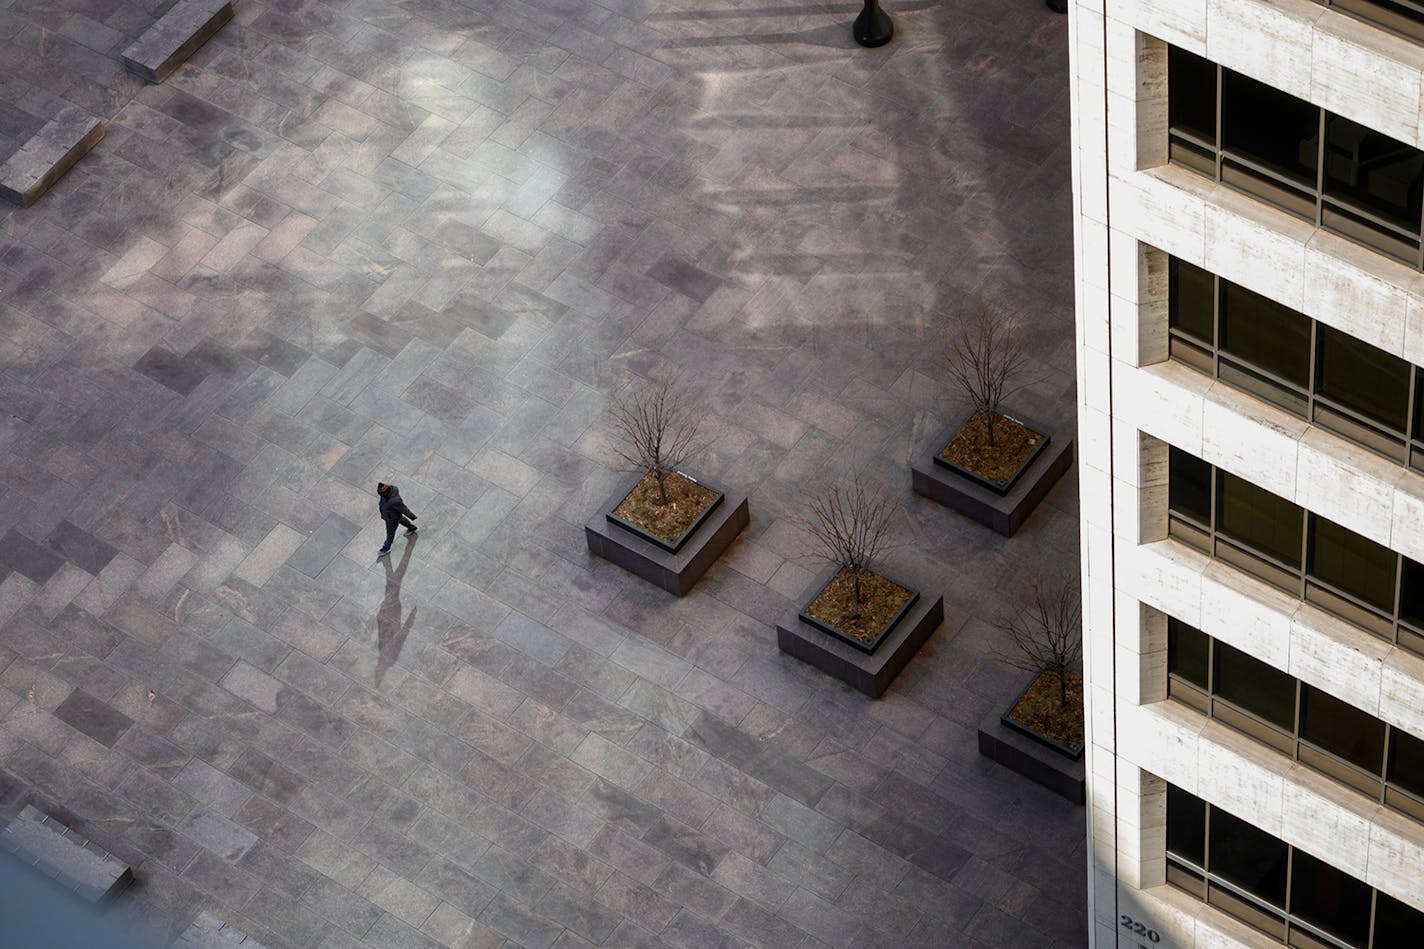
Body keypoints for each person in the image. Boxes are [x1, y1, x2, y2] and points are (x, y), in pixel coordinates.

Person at [375, 482, 418, 556]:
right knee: (400, 519)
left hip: (391, 519)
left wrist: (412, 516)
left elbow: (404, 509)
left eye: (380, 494)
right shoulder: (386, 494)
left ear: (385, 493)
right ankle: (412, 528)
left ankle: (386, 548)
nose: (380, 495)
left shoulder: (394, 501)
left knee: (390, 534)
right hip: (393, 515)